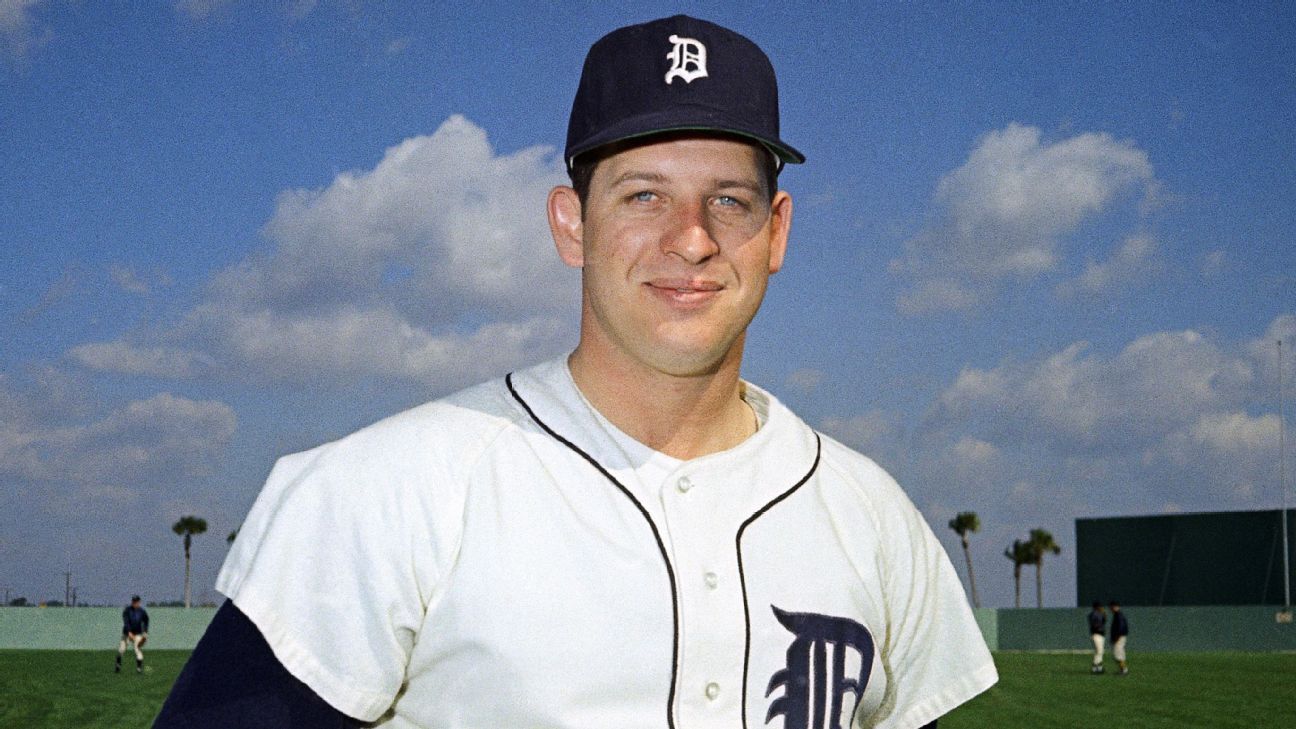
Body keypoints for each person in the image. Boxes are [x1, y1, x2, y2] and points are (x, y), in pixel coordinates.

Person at [156, 15, 996, 728]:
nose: (692, 237)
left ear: (776, 232)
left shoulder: (872, 517)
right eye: (644, 195)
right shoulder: (386, 491)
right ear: (572, 225)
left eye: (729, 200)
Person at [117, 595, 149, 674]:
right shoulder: (127, 610)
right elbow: (126, 622)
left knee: (137, 650)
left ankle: (139, 669)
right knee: (121, 650)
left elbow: (146, 620)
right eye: (133, 601)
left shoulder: (142, 611)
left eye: (136, 601)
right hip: (127, 634)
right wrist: (129, 632)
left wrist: (145, 631)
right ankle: (118, 664)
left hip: (137, 634)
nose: (134, 603)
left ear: (139, 602)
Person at [1110, 600, 1130, 675]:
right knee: (1119, 654)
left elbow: (1121, 627)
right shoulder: (1118, 614)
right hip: (1120, 637)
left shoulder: (1118, 615)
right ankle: (1123, 669)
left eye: (1112, 607)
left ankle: (1124, 670)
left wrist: (1116, 637)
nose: (1111, 609)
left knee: (1117, 654)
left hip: (1119, 637)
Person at [1086, 601, 1106, 674]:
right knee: (1099, 651)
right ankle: (1095, 667)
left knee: (1099, 651)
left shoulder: (1098, 614)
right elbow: (1096, 624)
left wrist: (1103, 615)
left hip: (1099, 634)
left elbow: (1102, 622)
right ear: (1096, 607)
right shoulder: (1094, 614)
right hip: (1096, 634)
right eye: (1100, 606)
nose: (1101, 607)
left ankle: (1099, 668)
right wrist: (1103, 615)